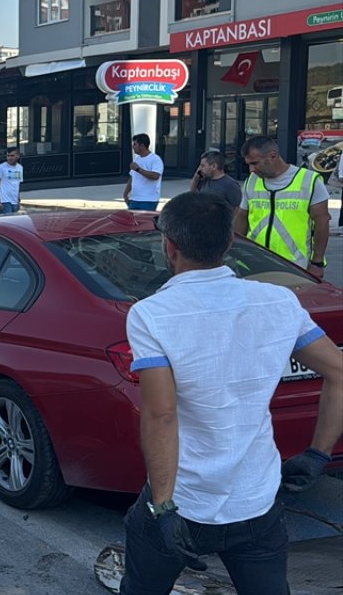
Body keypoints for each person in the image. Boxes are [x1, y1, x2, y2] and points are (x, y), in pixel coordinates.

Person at [120, 191, 343, 595]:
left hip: (184, 503)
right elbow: (340, 372)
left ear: (169, 247)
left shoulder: (152, 315)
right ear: (228, 242)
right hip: (257, 502)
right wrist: (318, 453)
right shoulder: (278, 301)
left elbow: (161, 416)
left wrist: (164, 507)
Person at [233, 135, 331, 278]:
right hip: (253, 264)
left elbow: (322, 223)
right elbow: (242, 218)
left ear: (273, 156)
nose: (251, 169)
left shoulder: (309, 181)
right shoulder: (252, 181)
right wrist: (236, 253)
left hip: (294, 267)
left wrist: (317, 263)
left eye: (255, 163)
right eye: (249, 164)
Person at [123, 134, 164, 211]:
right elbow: (132, 178)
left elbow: (155, 176)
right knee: (132, 222)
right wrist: (125, 193)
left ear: (142, 146)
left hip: (148, 200)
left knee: (145, 222)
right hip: (134, 199)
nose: (133, 147)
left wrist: (138, 169)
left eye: (135, 144)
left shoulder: (155, 159)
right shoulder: (137, 159)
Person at [0, 147, 24, 215]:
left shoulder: (20, 168)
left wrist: (18, 200)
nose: (9, 158)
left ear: (18, 156)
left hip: (14, 201)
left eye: (12, 155)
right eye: (8, 156)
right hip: (4, 201)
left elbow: (17, 184)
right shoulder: (1, 167)